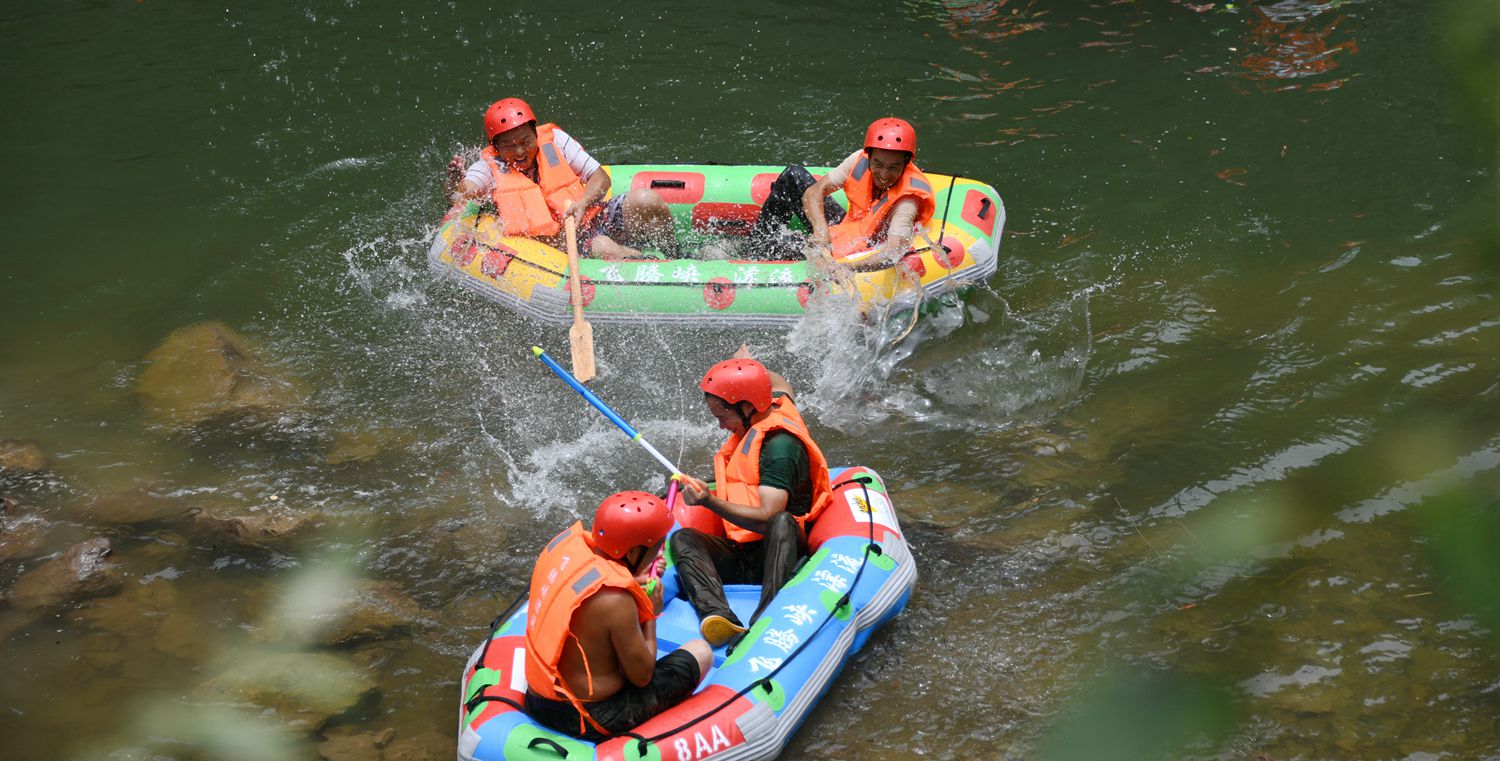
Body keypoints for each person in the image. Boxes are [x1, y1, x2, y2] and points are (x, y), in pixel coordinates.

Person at [670, 349, 833, 646]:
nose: (720, 425)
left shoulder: (780, 447)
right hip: (743, 552)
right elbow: (780, 382)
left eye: (722, 416)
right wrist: (747, 367)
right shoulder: (772, 403)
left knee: (781, 521)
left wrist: (708, 501)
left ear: (746, 406)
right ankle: (718, 615)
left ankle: (767, 617)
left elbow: (768, 519)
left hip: (781, 552)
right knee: (684, 538)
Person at [523, 491, 713, 741]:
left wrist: (631, 579)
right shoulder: (617, 601)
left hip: (537, 699)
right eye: (656, 549)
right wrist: (650, 613)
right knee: (701, 651)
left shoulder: (567, 550)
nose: (659, 555)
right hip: (588, 716)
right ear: (633, 553)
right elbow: (642, 676)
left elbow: (587, 587)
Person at [445, 98, 678, 260]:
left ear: (535, 133)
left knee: (646, 199)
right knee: (603, 247)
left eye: (526, 142)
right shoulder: (488, 167)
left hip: (592, 216)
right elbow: (464, 192)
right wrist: (456, 182)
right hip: (564, 242)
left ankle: (673, 252)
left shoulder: (556, 141)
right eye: (509, 146)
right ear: (495, 146)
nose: (520, 152)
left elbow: (600, 177)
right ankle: (647, 261)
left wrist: (583, 202)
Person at [747, 117, 936, 267]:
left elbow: (893, 252)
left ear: (906, 163)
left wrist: (846, 267)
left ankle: (764, 260)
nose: (884, 175)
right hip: (846, 228)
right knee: (793, 175)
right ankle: (756, 247)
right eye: (878, 164)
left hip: (860, 250)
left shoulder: (907, 202)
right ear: (869, 156)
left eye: (893, 167)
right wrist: (821, 231)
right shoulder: (858, 160)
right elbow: (814, 192)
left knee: (785, 244)